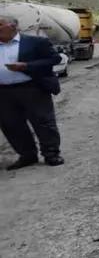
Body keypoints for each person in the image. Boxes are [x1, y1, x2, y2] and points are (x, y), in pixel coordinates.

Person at [0, 15, 64, 170]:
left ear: (12, 27)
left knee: (43, 122)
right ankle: (27, 155)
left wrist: (27, 65)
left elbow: (54, 59)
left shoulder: (35, 42)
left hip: (32, 88)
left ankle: (51, 154)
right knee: (11, 125)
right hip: (3, 92)